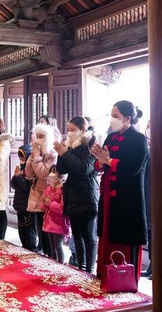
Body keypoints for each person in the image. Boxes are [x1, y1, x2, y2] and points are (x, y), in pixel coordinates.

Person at [91, 100, 148, 281]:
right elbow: (101, 164)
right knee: (106, 230)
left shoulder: (138, 139)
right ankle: (105, 272)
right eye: (112, 115)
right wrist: (100, 160)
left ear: (128, 118)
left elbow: (133, 168)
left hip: (127, 196)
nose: (112, 120)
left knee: (124, 233)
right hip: (107, 193)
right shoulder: (111, 137)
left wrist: (108, 161)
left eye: (116, 116)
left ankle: (124, 276)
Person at [54, 116, 99, 273]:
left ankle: (90, 268)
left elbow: (84, 168)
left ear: (83, 130)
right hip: (72, 194)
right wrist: (62, 153)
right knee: (77, 235)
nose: (69, 133)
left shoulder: (92, 145)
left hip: (87, 195)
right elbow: (63, 169)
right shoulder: (70, 147)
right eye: (68, 129)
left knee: (88, 235)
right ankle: (80, 267)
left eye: (73, 130)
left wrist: (66, 153)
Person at [26, 123, 57, 255]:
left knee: (48, 230)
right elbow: (28, 174)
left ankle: (51, 255)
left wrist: (37, 157)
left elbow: (43, 174)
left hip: (49, 196)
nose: (39, 139)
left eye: (42, 136)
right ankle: (44, 253)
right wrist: (33, 156)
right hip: (37, 194)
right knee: (40, 227)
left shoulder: (53, 154)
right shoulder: (36, 152)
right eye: (37, 136)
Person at [41, 165, 70, 263]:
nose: (52, 174)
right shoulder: (49, 189)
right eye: (51, 171)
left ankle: (61, 264)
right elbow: (44, 205)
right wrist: (44, 202)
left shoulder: (62, 190)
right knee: (52, 246)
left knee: (58, 245)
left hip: (59, 222)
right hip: (49, 220)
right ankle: (54, 264)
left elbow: (62, 208)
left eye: (55, 171)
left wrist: (50, 203)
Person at [10, 145, 37, 250]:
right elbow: (13, 185)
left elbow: (27, 187)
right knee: (21, 228)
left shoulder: (31, 169)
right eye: (20, 156)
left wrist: (19, 176)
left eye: (22, 156)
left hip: (28, 204)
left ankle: (31, 248)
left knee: (29, 228)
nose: (21, 158)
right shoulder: (21, 168)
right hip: (19, 204)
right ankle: (24, 246)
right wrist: (16, 176)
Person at [141, 120, 152, 280]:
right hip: (146, 192)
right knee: (150, 232)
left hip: (154, 193)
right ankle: (151, 265)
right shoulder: (148, 149)